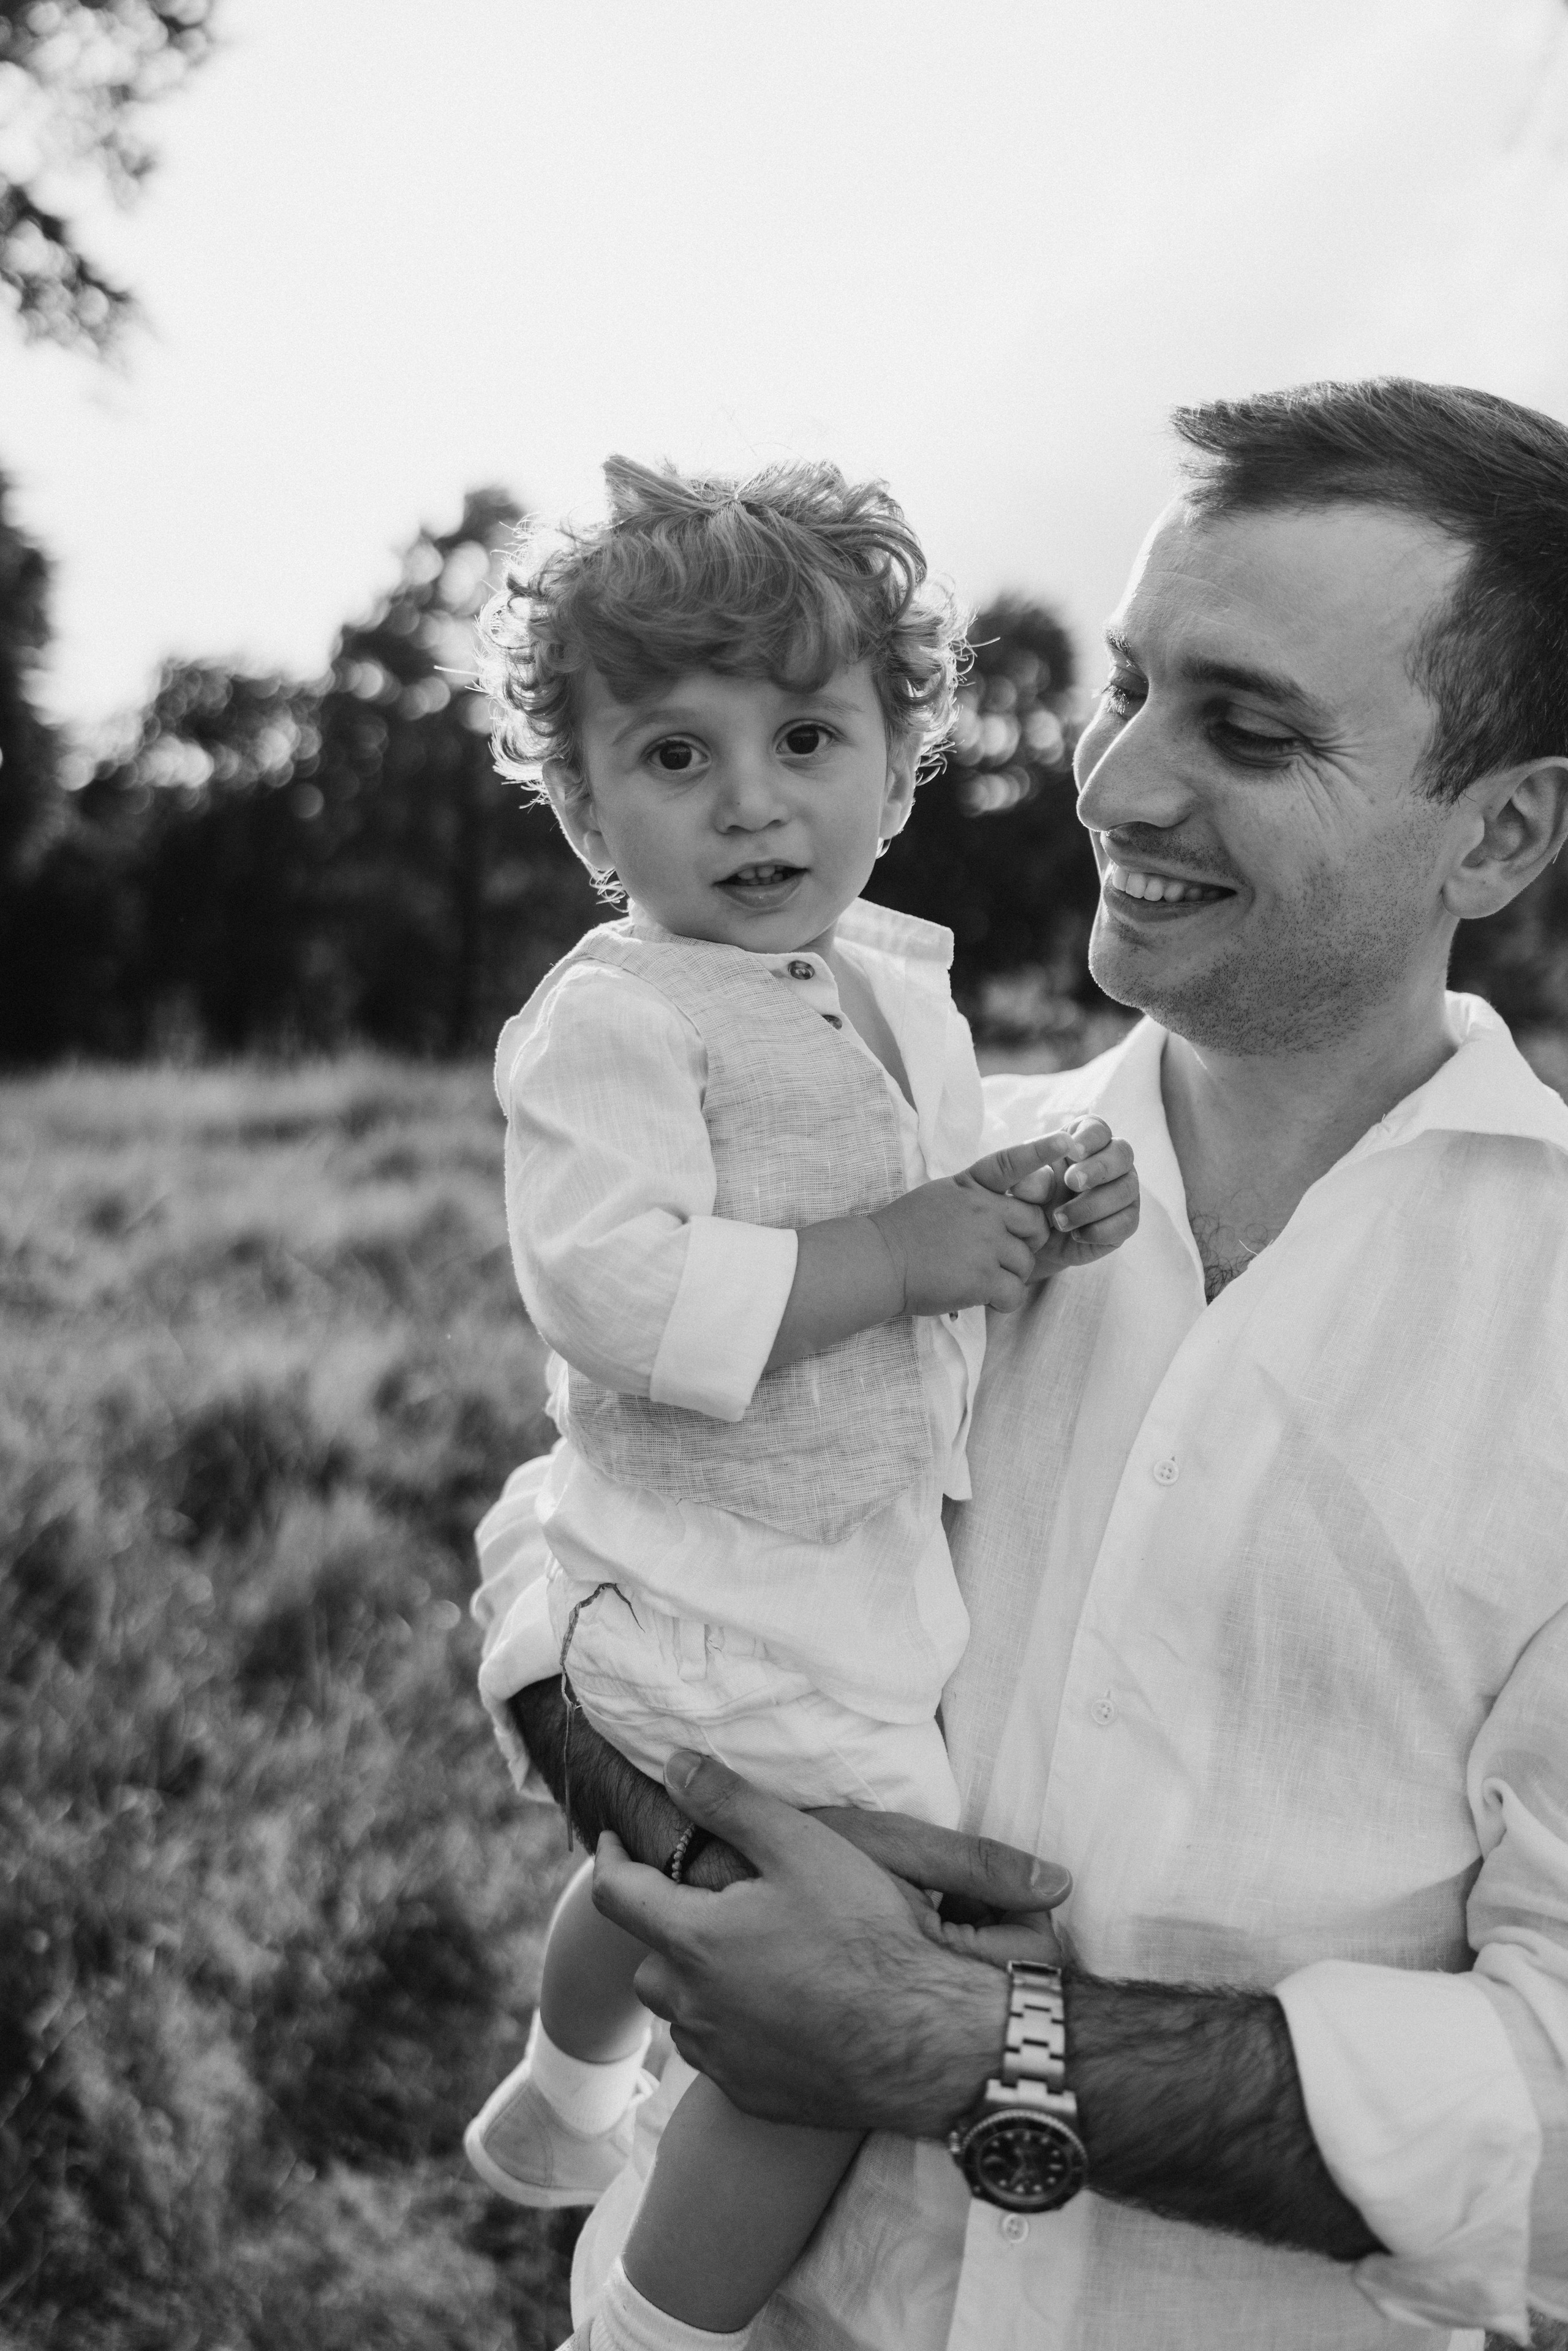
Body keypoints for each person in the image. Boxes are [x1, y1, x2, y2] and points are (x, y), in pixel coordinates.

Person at [477, 377, 1568, 2351]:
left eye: (1247, 729)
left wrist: (945, 2038)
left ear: (1497, 830)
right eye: (1131, 684)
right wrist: (679, 1813)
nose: (1120, 782)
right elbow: (574, 1515)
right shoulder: (933, 1170)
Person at [463, 455, 1140, 2351]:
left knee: (672, 1878)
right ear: (587, 808)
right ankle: (656, 2328)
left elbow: (944, 1200)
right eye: (673, 757)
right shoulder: (617, 1013)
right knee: (833, 2012)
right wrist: (904, 1256)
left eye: (807, 735)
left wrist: (1038, 1206)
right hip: (708, 1575)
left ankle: (568, 2091)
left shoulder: (896, 996)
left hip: (835, 1573)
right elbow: (609, 1285)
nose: (752, 798)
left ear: (902, 762)